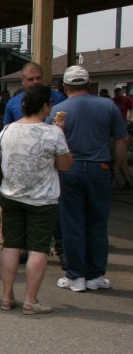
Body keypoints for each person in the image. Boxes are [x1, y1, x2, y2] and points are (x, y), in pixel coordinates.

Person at [52, 65, 129, 292]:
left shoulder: (58, 109)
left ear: (65, 87)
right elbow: (122, 140)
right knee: (97, 222)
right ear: (89, 84)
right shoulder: (108, 106)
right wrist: (114, 165)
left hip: (69, 168)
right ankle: (95, 275)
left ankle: (75, 275)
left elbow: (51, 142)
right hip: (100, 166)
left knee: (72, 222)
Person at [0, 84, 72, 315]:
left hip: (10, 194)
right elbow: (65, 165)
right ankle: (31, 300)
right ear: (46, 106)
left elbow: (0, 158)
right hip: (42, 199)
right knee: (38, 248)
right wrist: (61, 132)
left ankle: (7, 296)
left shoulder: (7, 129)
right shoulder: (53, 132)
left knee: (11, 245)